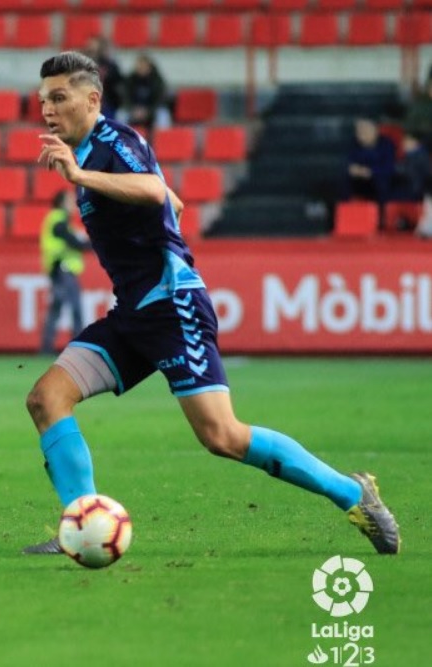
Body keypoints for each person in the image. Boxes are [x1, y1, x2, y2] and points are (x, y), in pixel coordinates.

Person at [20, 52, 399, 556]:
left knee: (222, 435)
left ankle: (354, 494)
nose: (47, 109)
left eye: (60, 98)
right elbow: (173, 203)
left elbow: (157, 191)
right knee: (47, 399)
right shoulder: (91, 151)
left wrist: (82, 178)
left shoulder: (114, 143)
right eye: (44, 99)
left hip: (173, 305)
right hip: (136, 312)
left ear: (93, 99)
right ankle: (84, 521)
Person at [39, 191, 89, 355]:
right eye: (69, 201)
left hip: (57, 268)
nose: (73, 205)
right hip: (63, 268)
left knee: (56, 308)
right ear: (61, 203)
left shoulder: (56, 219)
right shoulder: (59, 219)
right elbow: (70, 239)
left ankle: (46, 348)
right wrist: (89, 245)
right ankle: (78, 347)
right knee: (75, 308)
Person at [341, 118, 395, 207]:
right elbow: (347, 163)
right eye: (359, 130)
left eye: (366, 130)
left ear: (375, 130)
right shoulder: (352, 144)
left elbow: (389, 167)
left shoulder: (387, 144)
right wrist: (352, 169)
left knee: (383, 182)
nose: (362, 133)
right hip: (357, 180)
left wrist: (370, 172)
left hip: (377, 179)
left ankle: (381, 215)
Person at [121, 53, 170, 133]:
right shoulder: (130, 80)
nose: (141, 68)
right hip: (134, 110)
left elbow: (160, 100)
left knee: (163, 115)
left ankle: (161, 142)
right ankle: (121, 142)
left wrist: (148, 111)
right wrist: (133, 109)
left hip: (152, 110)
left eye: (144, 66)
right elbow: (125, 98)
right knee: (121, 114)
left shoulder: (157, 80)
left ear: (149, 67)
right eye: (139, 65)